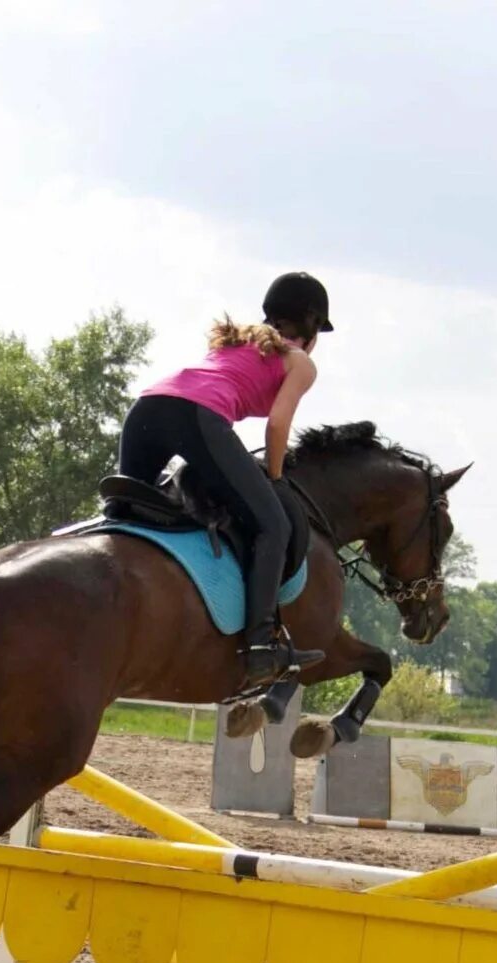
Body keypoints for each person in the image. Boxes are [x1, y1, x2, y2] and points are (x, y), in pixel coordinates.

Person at [119, 271, 333, 686]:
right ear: (309, 324)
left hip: (146, 408)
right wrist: (274, 479)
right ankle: (259, 645)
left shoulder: (240, 341)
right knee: (273, 523)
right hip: (195, 417)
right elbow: (276, 427)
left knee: (125, 513)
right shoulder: (301, 361)